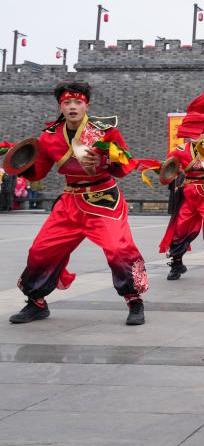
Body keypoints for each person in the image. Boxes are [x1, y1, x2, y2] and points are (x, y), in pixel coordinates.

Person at [6, 81, 147, 326]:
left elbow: (125, 164)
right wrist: (19, 160)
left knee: (118, 249)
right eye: (67, 102)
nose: (72, 107)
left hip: (103, 200)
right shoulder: (49, 136)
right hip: (70, 201)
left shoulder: (104, 131)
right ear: (60, 107)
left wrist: (104, 161)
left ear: (86, 106)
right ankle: (36, 303)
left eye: (77, 102)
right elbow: (39, 171)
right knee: (41, 250)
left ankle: (134, 300)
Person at [157, 94, 204, 283]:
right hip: (189, 194)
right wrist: (163, 170)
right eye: (193, 130)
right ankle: (176, 263)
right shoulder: (179, 152)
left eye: (201, 130)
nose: (197, 134)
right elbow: (169, 171)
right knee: (181, 228)